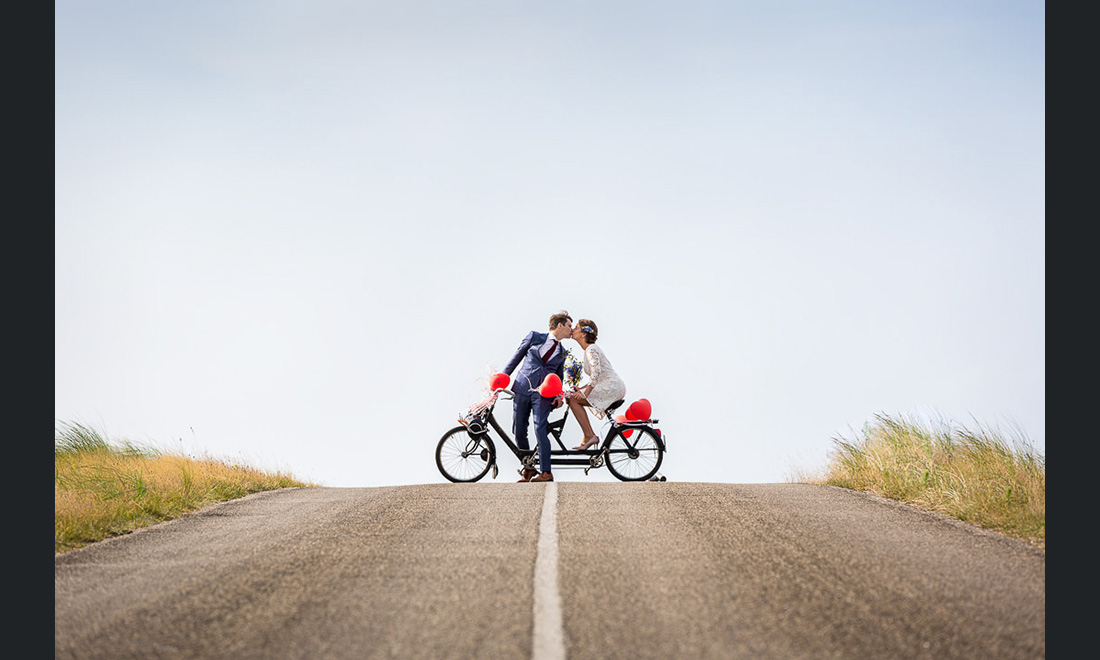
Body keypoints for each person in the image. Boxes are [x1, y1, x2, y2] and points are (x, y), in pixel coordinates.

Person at [501, 310, 573, 482]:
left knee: (540, 428)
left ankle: (546, 472)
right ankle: (528, 467)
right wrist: (502, 378)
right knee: (518, 429)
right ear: (560, 325)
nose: (572, 329)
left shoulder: (562, 352)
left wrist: (559, 396)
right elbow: (516, 358)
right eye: (569, 326)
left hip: (543, 394)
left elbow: (559, 376)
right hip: (522, 387)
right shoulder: (534, 337)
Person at [566, 319, 626, 450]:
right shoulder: (589, 350)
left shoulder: (591, 349)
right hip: (611, 385)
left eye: (576, 328)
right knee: (574, 397)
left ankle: (589, 436)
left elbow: (596, 372)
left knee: (573, 400)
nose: (573, 330)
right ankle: (588, 436)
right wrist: (580, 389)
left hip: (612, 386)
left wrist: (585, 393)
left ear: (583, 334)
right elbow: (597, 377)